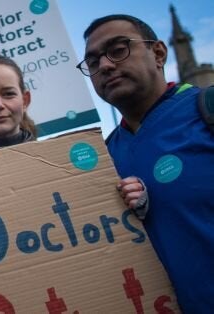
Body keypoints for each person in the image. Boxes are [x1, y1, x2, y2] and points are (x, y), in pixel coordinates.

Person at [78, 14, 214, 312]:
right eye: (93, 62)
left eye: (118, 50)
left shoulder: (206, 108)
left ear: (158, 53)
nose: (105, 65)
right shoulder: (104, 157)